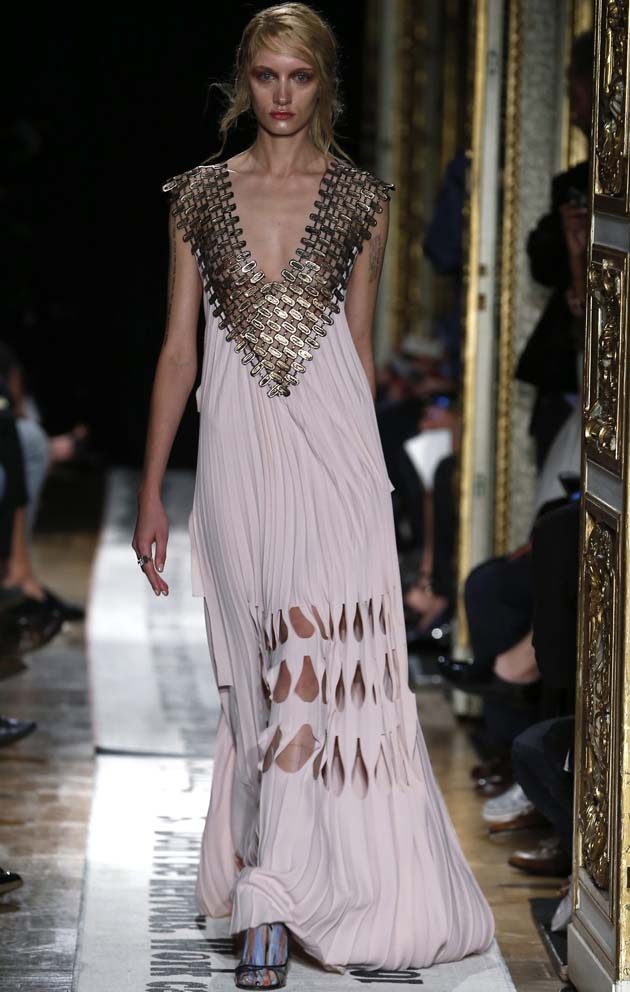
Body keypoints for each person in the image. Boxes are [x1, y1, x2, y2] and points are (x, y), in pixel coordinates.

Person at [132, 4, 494, 987]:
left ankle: (269, 902)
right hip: (238, 465)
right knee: (256, 683)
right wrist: (156, 489)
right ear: (242, 81)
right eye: (266, 76)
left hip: (334, 465)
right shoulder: (197, 198)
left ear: (324, 83)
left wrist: (374, 488)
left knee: (304, 665)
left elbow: (358, 352)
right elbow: (178, 352)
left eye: (299, 76)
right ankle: (281, 870)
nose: (282, 95)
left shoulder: (362, 201)